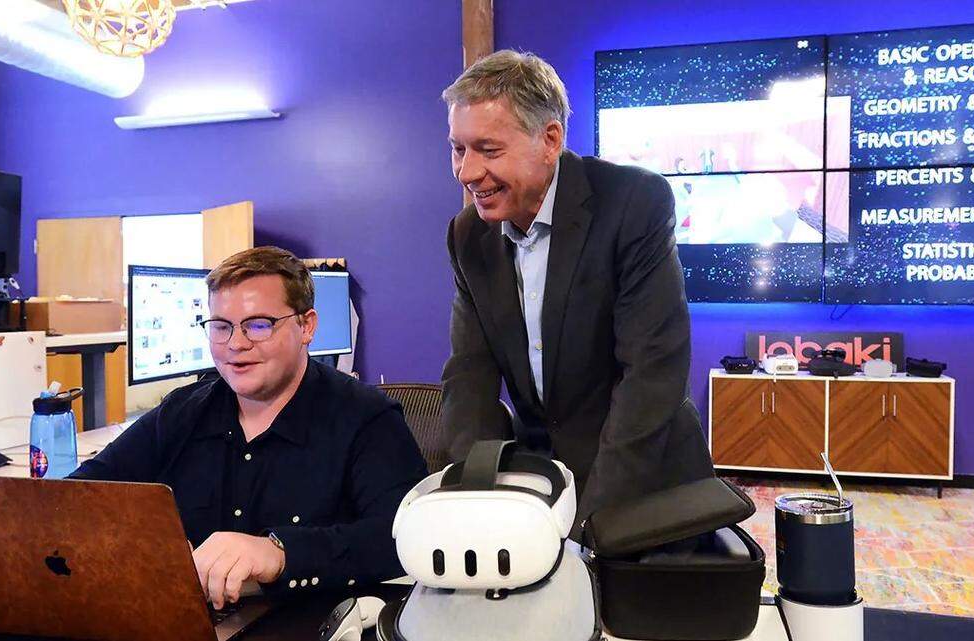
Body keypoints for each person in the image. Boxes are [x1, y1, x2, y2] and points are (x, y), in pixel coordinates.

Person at [439, 50, 715, 533]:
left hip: (646, 481)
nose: (466, 172)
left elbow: (651, 372)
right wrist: (473, 497)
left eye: (488, 149)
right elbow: (469, 375)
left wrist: (592, 523)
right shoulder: (468, 235)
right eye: (458, 149)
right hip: (542, 487)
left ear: (550, 139)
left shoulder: (633, 203)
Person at [72, 246, 427, 608]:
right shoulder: (182, 412)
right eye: (221, 327)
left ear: (307, 327)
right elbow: (78, 496)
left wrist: (280, 554)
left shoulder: (367, 418)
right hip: (187, 618)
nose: (236, 344)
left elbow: (401, 539)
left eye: (259, 325)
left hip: (306, 623)